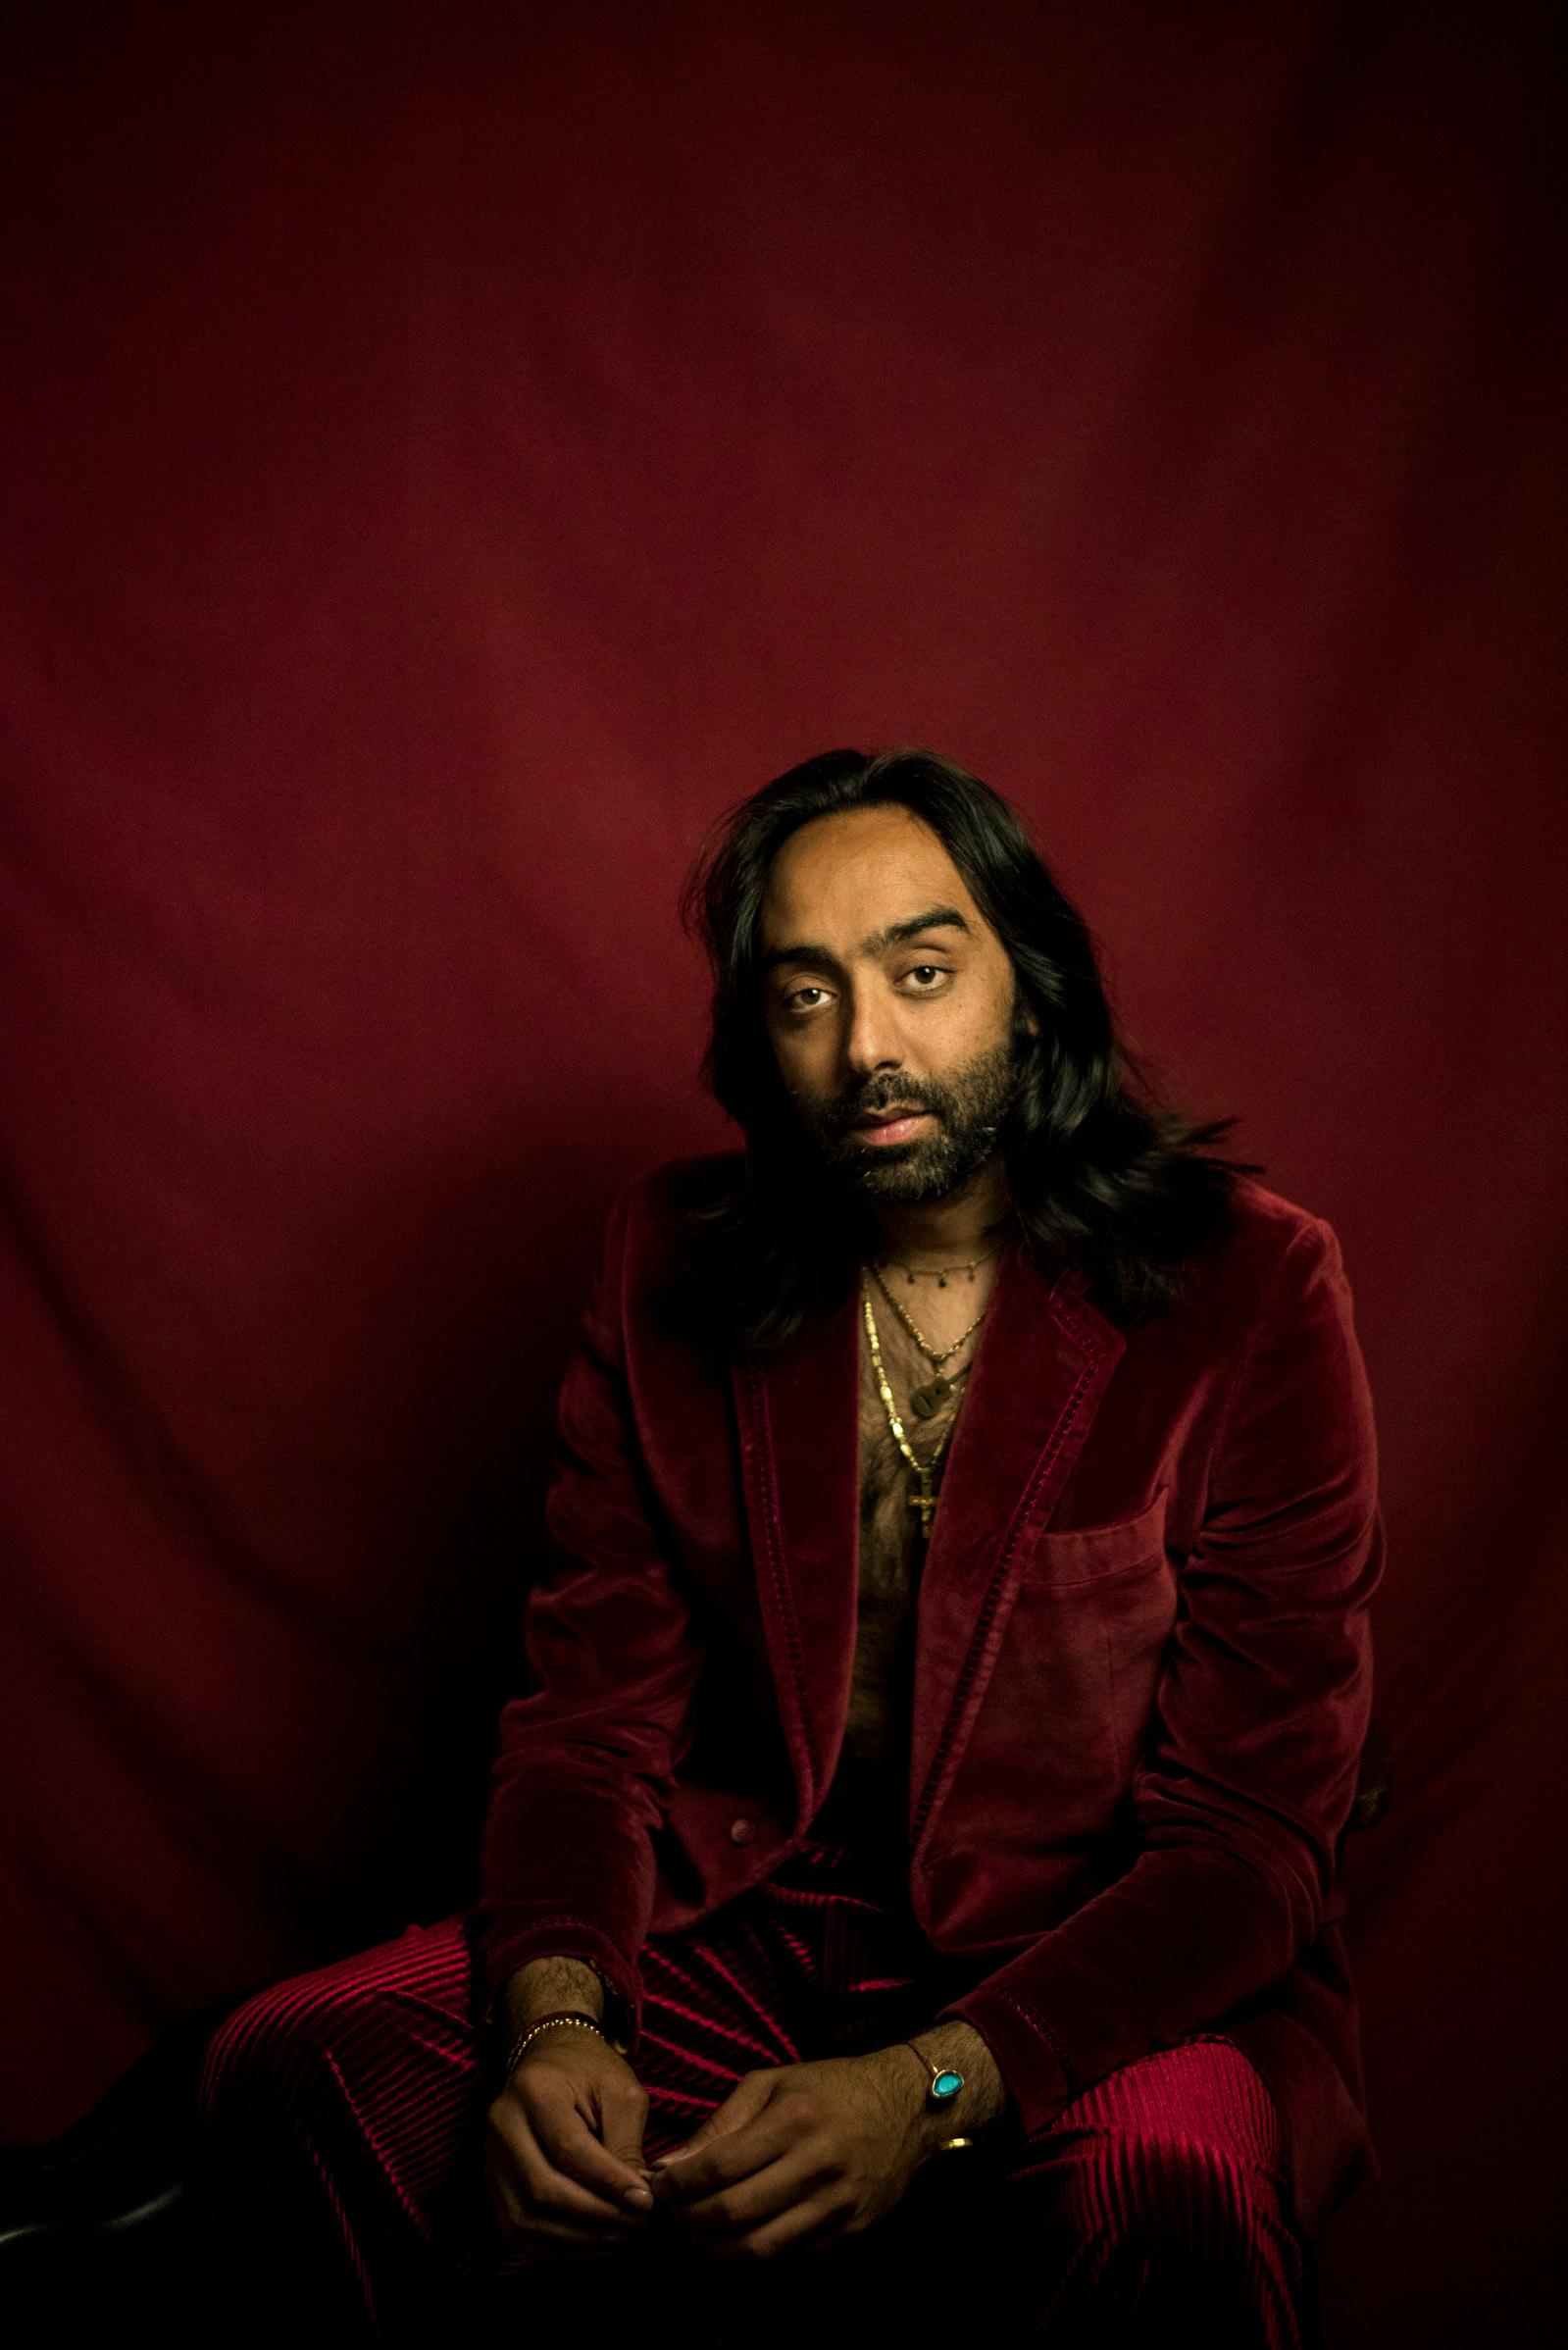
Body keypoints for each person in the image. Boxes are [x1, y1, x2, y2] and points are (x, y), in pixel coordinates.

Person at [197, 747, 1383, 2346]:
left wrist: (926, 2090)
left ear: (1031, 992)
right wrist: (556, 2021)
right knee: (299, 2059)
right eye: (807, 994)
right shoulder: (667, 1261)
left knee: (1165, 2183)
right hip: (741, 1935)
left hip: (1078, 1969)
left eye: (921, 973)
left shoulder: (1249, 1288)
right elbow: (590, 1732)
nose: (867, 1047)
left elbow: (1251, 1845)